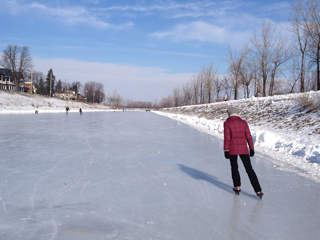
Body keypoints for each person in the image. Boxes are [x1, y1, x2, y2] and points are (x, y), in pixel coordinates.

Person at [223, 107, 263, 199]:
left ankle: (237, 186)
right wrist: (251, 148)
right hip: (244, 149)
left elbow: (227, 138)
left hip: (232, 149)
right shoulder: (243, 122)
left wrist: (226, 150)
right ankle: (258, 190)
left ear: (229, 114)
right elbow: (248, 136)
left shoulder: (227, 123)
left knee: (234, 167)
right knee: (249, 169)